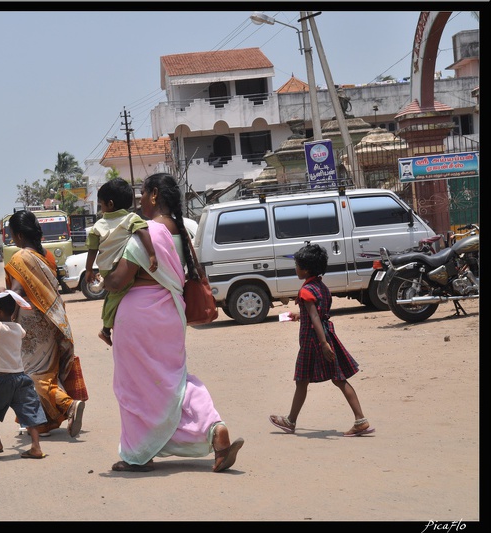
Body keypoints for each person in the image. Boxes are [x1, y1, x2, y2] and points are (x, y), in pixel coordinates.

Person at [104, 173, 244, 473]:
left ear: (154, 195)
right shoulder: (182, 231)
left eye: (142, 192)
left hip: (139, 318)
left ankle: (138, 454)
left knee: (134, 386)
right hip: (170, 314)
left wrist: (102, 273)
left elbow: (118, 281)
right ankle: (214, 428)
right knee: (174, 379)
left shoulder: (149, 232)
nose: (139, 199)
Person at [269, 243, 375, 437]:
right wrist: (299, 315)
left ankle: (291, 421)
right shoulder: (322, 287)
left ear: (306, 268)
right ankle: (359, 419)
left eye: (298, 265)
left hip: (313, 341)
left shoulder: (306, 290)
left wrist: (323, 343)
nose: (296, 268)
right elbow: (318, 313)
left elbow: (316, 317)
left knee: (303, 379)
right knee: (337, 378)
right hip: (325, 335)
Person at [4, 210, 88, 437]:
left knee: (31, 376)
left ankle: (69, 405)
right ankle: (42, 423)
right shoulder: (47, 257)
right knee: (47, 372)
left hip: (31, 328)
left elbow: (17, 293)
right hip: (53, 321)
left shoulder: (20, 259)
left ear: (19, 235)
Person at [85, 178, 158, 346]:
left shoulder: (98, 226)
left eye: (101, 204)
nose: (101, 208)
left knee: (112, 295)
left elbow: (92, 249)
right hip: (120, 267)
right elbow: (143, 232)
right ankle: (105, 329)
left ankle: (105, 328)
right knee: (115, 295)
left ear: (109, 204)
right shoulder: (131, 219)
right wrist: (152, 254)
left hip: (105, 268)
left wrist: (89, 270)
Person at [0, 287, 47, 459]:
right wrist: (13, 300)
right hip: (21, 377)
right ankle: (36, 447)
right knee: (29, 410)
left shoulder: (0, 329)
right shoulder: (17, 329)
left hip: (3, 378)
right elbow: (12, 317)